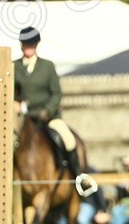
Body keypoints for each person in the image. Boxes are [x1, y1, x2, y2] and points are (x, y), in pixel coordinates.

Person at [14, 26, 83, 175]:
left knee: (68, 139)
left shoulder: (47, 66)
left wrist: (47, 111)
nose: (28, 47)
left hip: (47, 117)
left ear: (36, 45)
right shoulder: (14, 66)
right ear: (21, 45)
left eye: (31, 44)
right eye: (26, 44)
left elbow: (56, 93)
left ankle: (77, 177)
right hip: (23, 119)